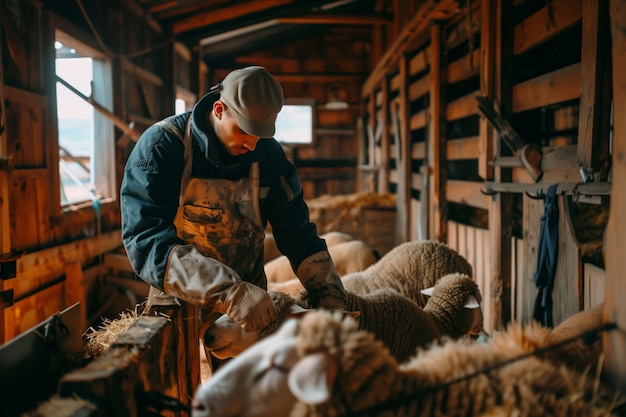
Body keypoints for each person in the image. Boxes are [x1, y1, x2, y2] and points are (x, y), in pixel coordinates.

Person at [120, 66, 348, 343]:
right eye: (243, 130)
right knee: (172, 380)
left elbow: (296, 231)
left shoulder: (270, 156)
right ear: (219, 110)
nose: (251, 145)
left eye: (259, 135)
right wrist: (228, 291)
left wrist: (331, 298)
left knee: (248, 383)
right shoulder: (162, 148)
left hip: (248, 299)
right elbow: (145, 239)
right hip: (177, 291)